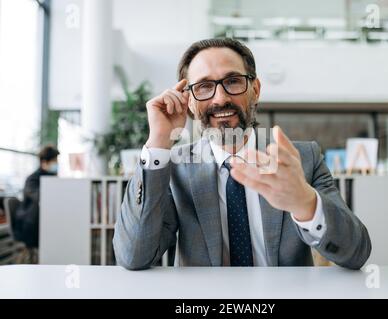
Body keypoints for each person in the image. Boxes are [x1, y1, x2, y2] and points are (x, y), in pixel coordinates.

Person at [113, 38, 371, 269]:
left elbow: (355, 254)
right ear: (189, 101)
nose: (220, 99)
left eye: (233, 81)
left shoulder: (302, 159)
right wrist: (158, 141)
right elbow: (133, 256)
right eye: (204, 87)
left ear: (255, 90)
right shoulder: (175, 167)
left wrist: (305, 202)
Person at [15, 145, 59, 260]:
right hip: (29, 226)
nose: (56, 164)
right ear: (44, 162)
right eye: (54, 161)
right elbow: (43, 198)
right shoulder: (32, 179)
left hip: (41, 223)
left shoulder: (52, 177)